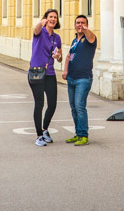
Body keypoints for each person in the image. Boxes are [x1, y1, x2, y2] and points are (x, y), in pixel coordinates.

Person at [61, 14, 97, 146]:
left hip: (83, 78)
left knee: (80, 106)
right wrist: (65, 71)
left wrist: (86, 29)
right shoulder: (74, 40)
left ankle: (83, 135)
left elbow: (91, 36)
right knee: (73, 108)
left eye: (82, 22)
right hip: (71, 78)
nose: (80, 25)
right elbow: (68, 56)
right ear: (74, 25)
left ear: (86, 24)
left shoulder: (90, 39)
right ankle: (77, 133)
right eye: (77, 23)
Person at [29, 9, 62, 147]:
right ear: (46, 19)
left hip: (49, 73)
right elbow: (35, 30)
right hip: (36, 73)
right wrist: (40, 23)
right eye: (50, 17)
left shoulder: (57, 38)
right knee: (39, 103)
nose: (53, 19)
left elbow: (59, 57)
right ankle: (38, 136)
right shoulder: (40, 32)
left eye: (55, 17)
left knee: (52, 104)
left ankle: (44, 129)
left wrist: (58, 56)